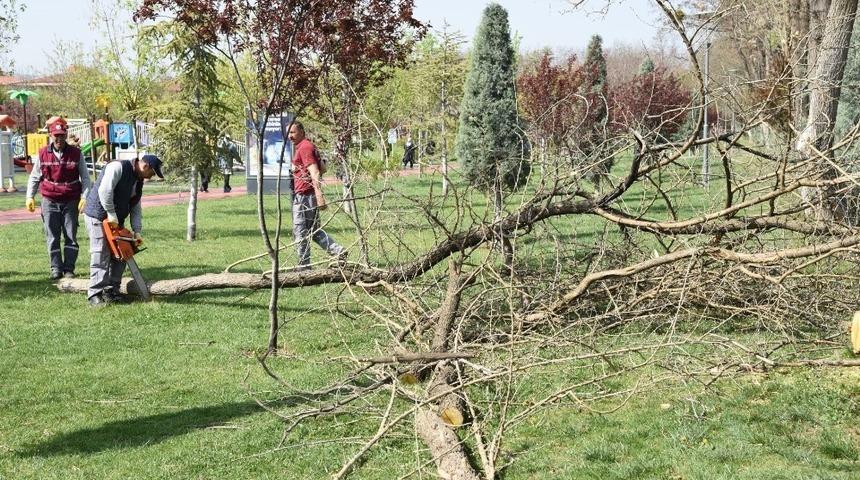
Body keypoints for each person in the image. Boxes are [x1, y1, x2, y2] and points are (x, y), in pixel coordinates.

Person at [82, 154, 164, 306]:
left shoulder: (138, 181)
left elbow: (136, 207)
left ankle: (112, 291)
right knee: (101, 253)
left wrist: (137, 230)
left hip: (115, 218)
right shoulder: (118, 167)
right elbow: (105, 191)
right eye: (152, 173)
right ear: (145, 166)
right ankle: (94, 294)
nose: (151, 177)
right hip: (98, 214)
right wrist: (111, 214)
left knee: (121, 252)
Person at [25, 121, 92, 280]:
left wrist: (85, 197)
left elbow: (86, 178)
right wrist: (29, 196)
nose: (59, 139)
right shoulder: (42, 154)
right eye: (56, 136)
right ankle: (55, 268)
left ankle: (69, 269)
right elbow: (34, 177)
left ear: (66, 135)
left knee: (70, 235)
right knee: (52, 236)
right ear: (50, 136)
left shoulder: (76, 154)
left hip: (70, 200)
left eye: (62, 136)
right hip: (49, 200)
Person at [288, 121, 346, 270]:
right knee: (314, 231)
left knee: (300, 231)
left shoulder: (305, 147)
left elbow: (316, 171)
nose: (290, 136)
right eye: (288, 133)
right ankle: (338, 251)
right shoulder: (305, 146)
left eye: (293, 132)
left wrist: (319, 195)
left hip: (305, 197)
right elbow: (323, 167)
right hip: (306, 195)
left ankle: (304, 267)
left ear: (301, 131)